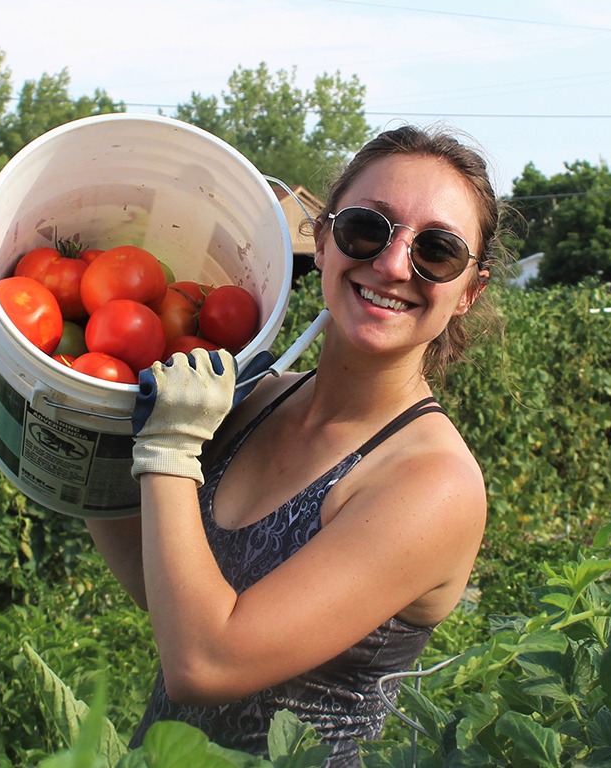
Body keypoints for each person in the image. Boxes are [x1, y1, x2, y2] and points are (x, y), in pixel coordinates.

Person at [85, 124, 502, 766]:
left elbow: (203, 661)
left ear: (468, 292)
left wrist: (167, 449)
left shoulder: (429, 482)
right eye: (368, 228)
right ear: (325, 236)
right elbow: (164, 592)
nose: (393, 265)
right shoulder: (258, 399)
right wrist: (79, 427)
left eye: (438, 251)